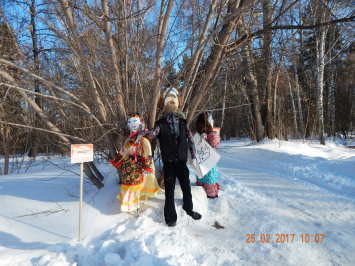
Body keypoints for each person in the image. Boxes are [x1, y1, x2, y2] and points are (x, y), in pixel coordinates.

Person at [138, 87, 202, 227]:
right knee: (170, 189)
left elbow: (190, 139)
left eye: (173, 98)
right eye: (168, 99)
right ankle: (170, 216)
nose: (171, 101)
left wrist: (194, 156)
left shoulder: (183, 122)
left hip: (181, 161)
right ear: (163, 103)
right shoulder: (160, 123)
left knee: (186, 186)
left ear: (178, 101)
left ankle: (189, 208)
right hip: (169, 163)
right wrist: (141, 130)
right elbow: (152, 134)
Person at [110, 113, 160, 215]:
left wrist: (148, 166)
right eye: (130, 121)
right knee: (130, 185)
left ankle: (131, 205)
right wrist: (117, 161)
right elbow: (123, 151)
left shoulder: (143, 140)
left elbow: (148, 153)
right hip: (128, 167)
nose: (132, 123)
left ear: (140, 122)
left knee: (135, 185)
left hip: (137, 167)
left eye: (135, 121)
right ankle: (131, 204)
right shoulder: (129, 139)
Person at [195, 112, 221, 198]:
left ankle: (208, 194)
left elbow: (215, 143)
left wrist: (207, 136)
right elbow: (216, 142)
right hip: (206, 165)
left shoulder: (210, 135)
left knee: (206, 179)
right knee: (208, 178)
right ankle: (209, 194)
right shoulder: (200, 136)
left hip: (205, 164)